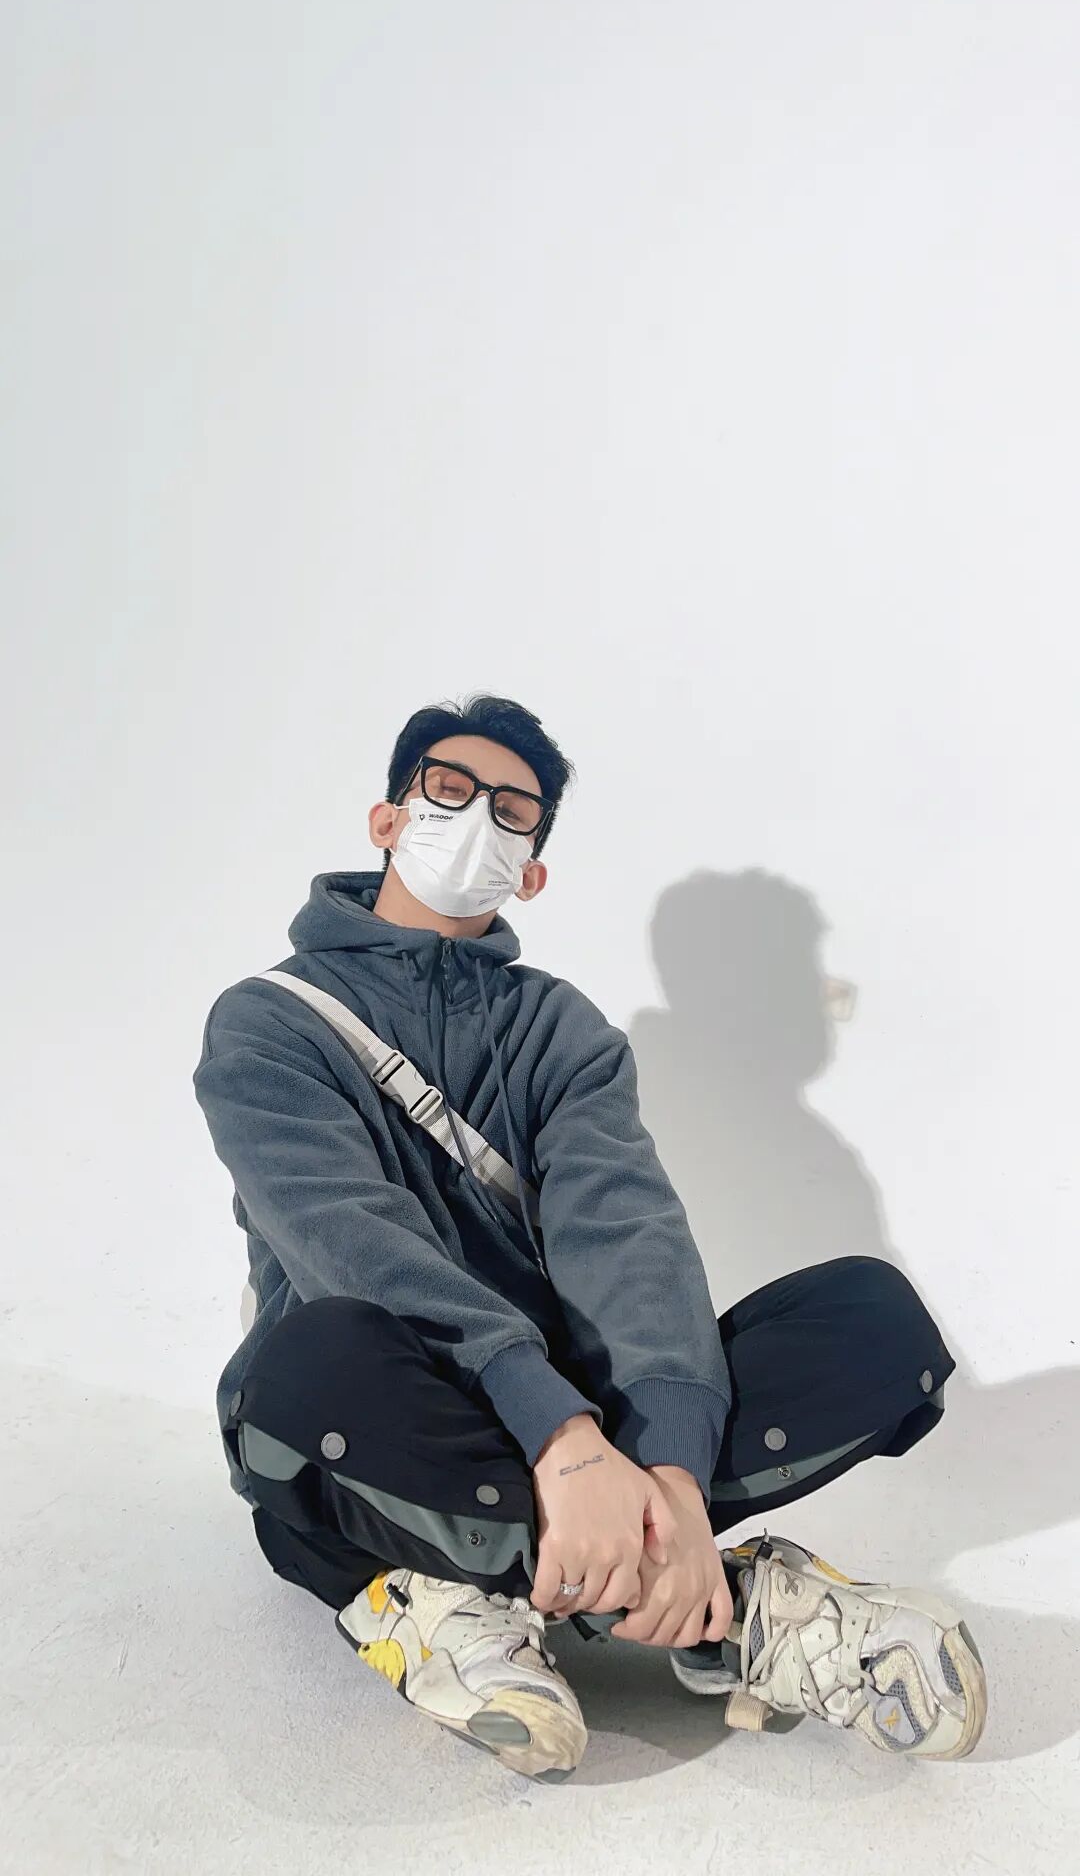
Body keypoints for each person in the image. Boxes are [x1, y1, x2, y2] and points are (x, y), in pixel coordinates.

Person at [192, 692, 987, 1783]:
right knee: (299, 1376)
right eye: (448, 789)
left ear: (532, 872)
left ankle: (473, 1589)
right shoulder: (267, 1021)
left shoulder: (559, 1028)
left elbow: (626, 1233)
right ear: (387, 819)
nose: (476, 818)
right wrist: (561, 1439)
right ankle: (731, 1608)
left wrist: (668, 1467)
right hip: (397, 1418)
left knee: (872, 1321)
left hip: (578, 1440)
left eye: (511, 812)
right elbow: (353, 1241)